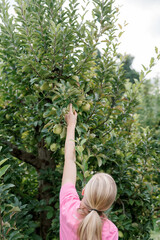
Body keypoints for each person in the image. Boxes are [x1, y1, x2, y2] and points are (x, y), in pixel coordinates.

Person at [60, 103, 118, 240]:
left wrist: (71, 125)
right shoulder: (110, 231)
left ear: (84, 190)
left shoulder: (67, 207)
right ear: (108, 205)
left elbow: (69, 159)